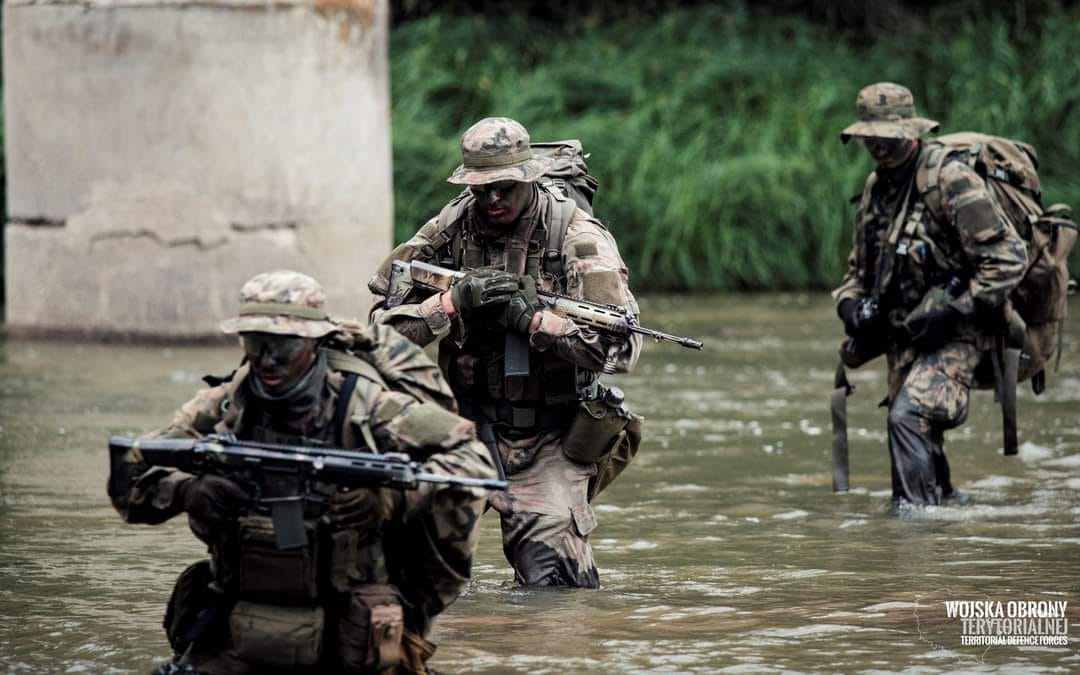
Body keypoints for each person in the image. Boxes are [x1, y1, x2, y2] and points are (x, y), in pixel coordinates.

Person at [108, 270, 498, 674]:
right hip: (242, 616)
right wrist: (186, 492)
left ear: (313, 341)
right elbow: (132, 475)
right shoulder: (227, 404)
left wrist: (393, 500)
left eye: (284, 345)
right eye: (256, 343)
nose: (267, 359)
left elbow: (473, 464)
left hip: (349, 621)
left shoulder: (366, 406)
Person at [367, 117, 642, 587]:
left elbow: (623, 350)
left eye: (505, 188)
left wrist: (535, 323)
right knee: (403, 574)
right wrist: (449, 304)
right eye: (481, 189)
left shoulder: (578, 238)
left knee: (556, 593)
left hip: (549, 436)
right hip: (461, 429)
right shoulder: (448, 230)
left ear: (528, 177)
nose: (492, 199)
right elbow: (376, 336)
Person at [833, 82, 1028, 507]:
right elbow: (858, 272)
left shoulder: (951, 179)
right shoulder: (876, 188)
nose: (878, 147)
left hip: (961, 330)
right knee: (916, 432)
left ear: (911, 131)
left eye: (887, 138)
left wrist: (957, 310)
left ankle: (915, 532)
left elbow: (1010, 257)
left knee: (909, 416)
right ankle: (945, 517)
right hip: (906, 334)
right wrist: (849, 305)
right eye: (870, 138)